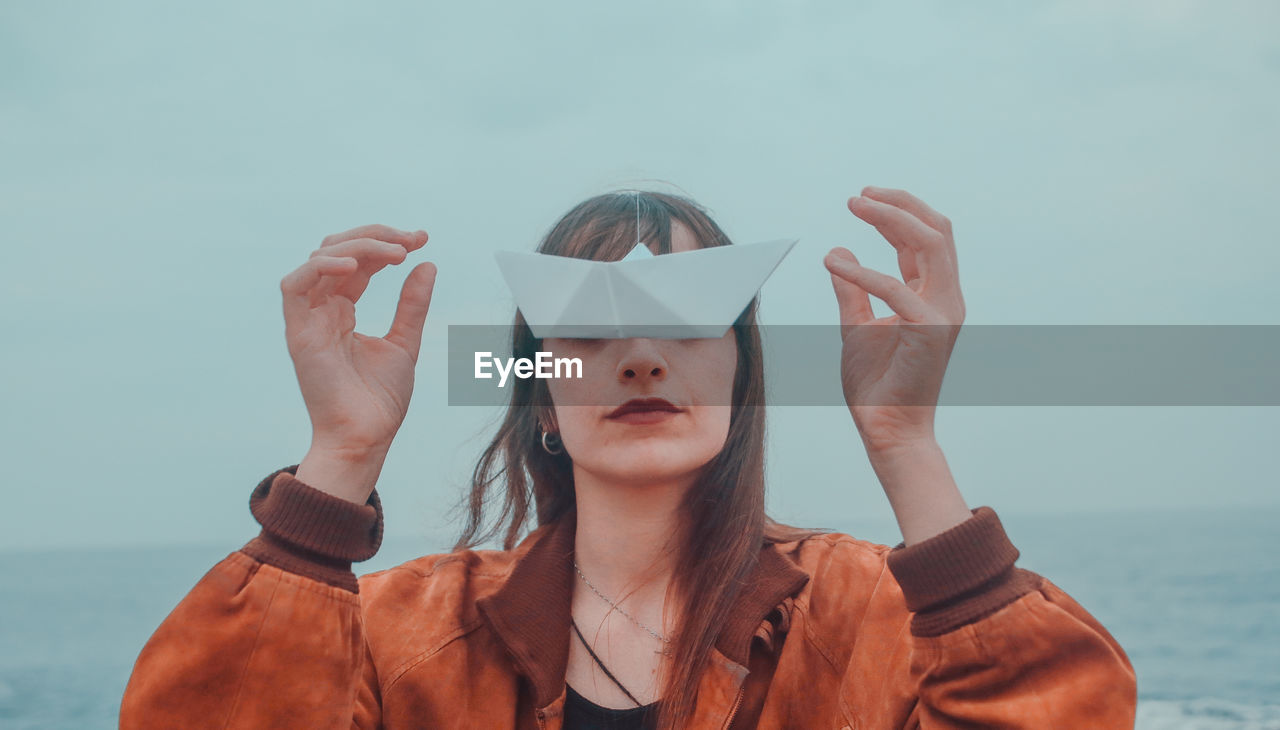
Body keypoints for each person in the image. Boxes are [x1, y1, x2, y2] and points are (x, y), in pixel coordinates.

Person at [120, 188, 1137, 729]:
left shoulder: (870, 615)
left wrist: (906, 443)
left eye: (692, 320)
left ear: (740, 378)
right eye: (589, 325)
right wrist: (339, 456)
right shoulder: (399, 635)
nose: (642, 355)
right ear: (543, 402)